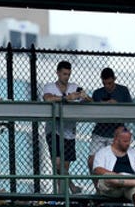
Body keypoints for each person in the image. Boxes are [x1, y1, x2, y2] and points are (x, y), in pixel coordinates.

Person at [42, 60, 91, 194]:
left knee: (64, 166)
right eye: (64, 74)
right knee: (57, 162)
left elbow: (89, 99)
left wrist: (83, 96)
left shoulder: (75, 86)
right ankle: (70, 188)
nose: (66, 77)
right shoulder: (49, 86)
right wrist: (68, 98)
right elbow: (48, 98)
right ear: (58, 73)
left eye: (68, 74)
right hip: (54, 129)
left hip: (69, 131)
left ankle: (63, 194)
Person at [88, 68, 133, 178]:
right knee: (92, 160)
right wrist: (104, 105)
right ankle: (98, 188)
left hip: (116, 133)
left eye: (110, 83)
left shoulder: (123, 91)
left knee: (115, 162)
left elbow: (131, 110)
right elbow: (94, 112)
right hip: (100, 132)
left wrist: (117, 105)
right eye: (105, 83)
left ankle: (112, 187)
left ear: (114, 79)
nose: (107, 86)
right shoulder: (97, 93)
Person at [92, 126, 135, 207]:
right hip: (111, 186)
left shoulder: (133, 152)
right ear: (116, 140)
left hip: (130, 185)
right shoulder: (103, 152)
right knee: (109, 177)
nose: (128, 144)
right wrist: (119, 176)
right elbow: (97, 170)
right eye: (125, 141)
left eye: (129, 141)